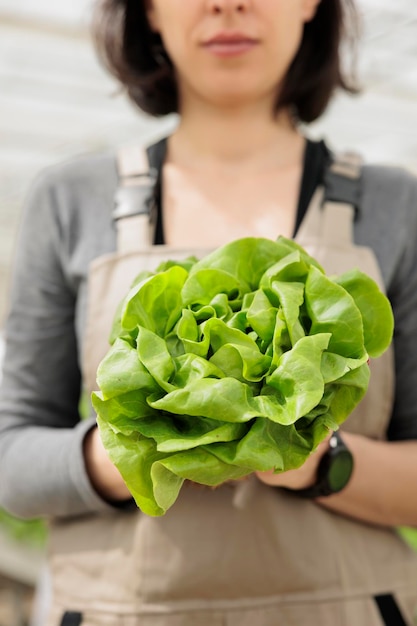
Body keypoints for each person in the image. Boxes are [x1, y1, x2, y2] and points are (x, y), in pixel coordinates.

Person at [1, 0, 417, 624]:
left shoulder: (396, 204)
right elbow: (13, 458)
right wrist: (152, 447)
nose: (228, 4)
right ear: (148, 10)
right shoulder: (71, 201)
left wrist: (313, 460)